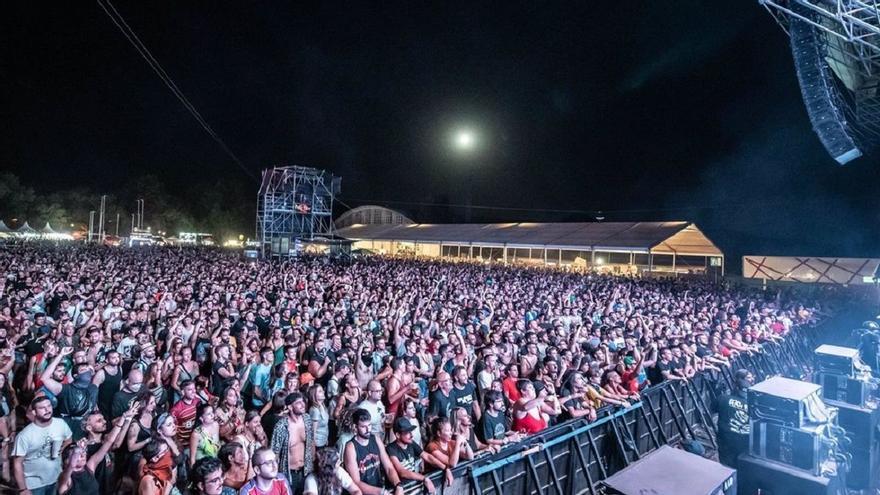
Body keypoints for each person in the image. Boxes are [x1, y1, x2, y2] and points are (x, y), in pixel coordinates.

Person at [57, 402, 137, 494]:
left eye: (103, 419)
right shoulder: (84, 447)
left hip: (108, 486)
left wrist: (126, 418)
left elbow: (112, 442)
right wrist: (79, 450)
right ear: (89, 427)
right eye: (99, 421)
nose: (104, 422)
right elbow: (71, 465)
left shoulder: (91, 464)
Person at [12, 396, 74, 495]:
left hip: (57, 478)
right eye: (42, 408)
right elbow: (17, 463)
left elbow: (69, 440)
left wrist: (67, 470)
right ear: (34, 412)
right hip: (34, 484)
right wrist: (23, 489)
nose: (47, 410)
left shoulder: (60, 424)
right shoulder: (25, 435)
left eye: (49, 406)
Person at [342, 409, 404, 495]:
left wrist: (398, 484)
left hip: (379, 489)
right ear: (355, 427)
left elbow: (389, 467)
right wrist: (381, 492)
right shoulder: (351, 447)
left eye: (369, 425)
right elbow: (356, 482)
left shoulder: (376, 439)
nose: (368, 429)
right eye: (363, 427)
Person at [270, 392, 315, 495]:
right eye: (298, 403)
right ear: (290, 407)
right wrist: (274, 474)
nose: (302, 404)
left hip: (306, 470)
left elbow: (311, 442)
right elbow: (274, 452)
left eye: (302, 401)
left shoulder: (307, 419)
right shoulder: (281, 426)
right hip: (289, 473)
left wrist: (313, 462)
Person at [385, 418, 437, 493]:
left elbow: (427, 456)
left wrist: (446, 468)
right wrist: (424, 478)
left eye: (411, 431)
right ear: (398, 435)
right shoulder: (390, 449)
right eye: (407, 432)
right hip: (399, 490)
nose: (411, 435)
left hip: (412, 486)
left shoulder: (411, 443)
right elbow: (402, 472)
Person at [717, 369, 753, 468]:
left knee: (726, 468)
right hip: (745, 441)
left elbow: (713, 409)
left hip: (726, 440)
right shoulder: (754, 405)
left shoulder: (723, 398)